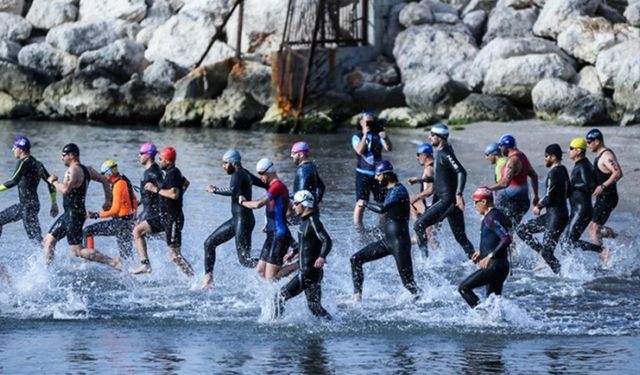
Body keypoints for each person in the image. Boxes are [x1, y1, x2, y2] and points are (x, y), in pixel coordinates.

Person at [350, 161, 421, 302]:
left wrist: (365, 203)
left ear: (386, 175)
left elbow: (383, 209)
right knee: (355, 259)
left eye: (378, 175)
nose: (376, 179)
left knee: (409, 284)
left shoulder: (399, 190)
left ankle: (425, 300)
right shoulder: (390, 191)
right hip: (387, 241)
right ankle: (357, 296)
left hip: (400, 243)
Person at [43, 143, 121, 270]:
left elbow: (65, 190)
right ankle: (49, 272)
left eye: (64, 155)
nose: (62, 158)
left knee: (78, 250)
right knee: (48, 241)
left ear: (72, 155)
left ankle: (113, 262)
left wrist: (53, 181)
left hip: (74, 215)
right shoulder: (87, 169)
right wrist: (107, 200)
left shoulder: (74, 170)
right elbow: (104, 180)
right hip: (69, 214)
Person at [413, 123, 475, 258]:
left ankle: (425, 262)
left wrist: (459, 194)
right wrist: (421, 180)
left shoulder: (445, 153)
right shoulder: (442, 152)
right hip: (450, 202)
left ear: (440, 138)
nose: (429, 137)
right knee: (461, 238)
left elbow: (461, 172)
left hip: (446, 201)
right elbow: (441, 178)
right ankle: (477, 261)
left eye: (432, 135)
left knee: (419, 225)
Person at [130, 146, 194, 276]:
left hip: (173, 218)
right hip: (163, 216)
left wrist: (156, 189)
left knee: (175, 256)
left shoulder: (173, 173)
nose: (158, 161)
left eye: (161, 159)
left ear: (168, 161)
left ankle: (193, 276)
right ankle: (145, 265)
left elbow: (174, 194)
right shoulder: (171, 173)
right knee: (138, 231)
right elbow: (185, 183)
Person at [201, 149, 259, 289]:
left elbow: (233, 191)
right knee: (209, 243)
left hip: (243, 220)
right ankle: (208, 280)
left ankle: (273, 264)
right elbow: (264, 184)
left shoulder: (238, 174)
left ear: (234, 162)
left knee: (245, 260)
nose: (223, 166)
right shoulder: (245, 173)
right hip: (238, 220)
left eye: (225, 163)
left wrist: (214, 190)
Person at [274, 190, 332, 320]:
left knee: (279, 297)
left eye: (295, 204)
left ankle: (274, 325)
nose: (293, 207)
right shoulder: (305, 221)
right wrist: (293, 252)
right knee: (314, 307)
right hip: (311, 273)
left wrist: (322, 256)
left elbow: (327, 240)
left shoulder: (313, 222)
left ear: (304, 204)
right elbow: (307, 242)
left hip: (308, 272)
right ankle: (333, 324)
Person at [516, 144, 569, 274]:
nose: (544, 158)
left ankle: (564, 274)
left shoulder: (553, 173)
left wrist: (539, 206)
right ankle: (543, 256)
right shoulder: (563, 170)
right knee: (522, 230)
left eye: (546, 156)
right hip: (555, 215)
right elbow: (567, 192)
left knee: (547, 252)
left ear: (553, 157)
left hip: (555, 217)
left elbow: (549, 197)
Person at [238, 158, 292, 281]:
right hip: (272, 233)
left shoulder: (277, 186)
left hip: (280, 235)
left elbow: (258, 204)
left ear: (269, 172)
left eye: (261, 173)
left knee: (270, 277)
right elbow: (290, 210)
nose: (260, 177)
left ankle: (299, 265)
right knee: (260, 272)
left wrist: (243, 202)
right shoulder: (275, 187)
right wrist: (269, 223)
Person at [459, 187, 511, 308]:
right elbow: (496, 238)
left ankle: (482, 315)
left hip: (494, 266)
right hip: (501, 266)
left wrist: (489, 256)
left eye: (476, 202)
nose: (474, 205)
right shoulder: (497, 214)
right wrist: (481, 251)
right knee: (493, 304)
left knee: (464, 288)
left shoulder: (491, 218)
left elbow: (506, 239)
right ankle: (497, 323)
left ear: (484, 202)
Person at [0, 136, 58, 243]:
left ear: (21, 149)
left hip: (27, 207)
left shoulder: (23, 162)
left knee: (36, 240)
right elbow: (51, 183)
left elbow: (13, 181)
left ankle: (50, 257)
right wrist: (54, 203)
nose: (13, 150)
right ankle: (48, 255)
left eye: (14, 147)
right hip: (30, 205)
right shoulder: (37, 163)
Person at [563, 138, 609, 264]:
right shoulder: (582, 164)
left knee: (568, 241)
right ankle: (570, 270)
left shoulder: (583, 166)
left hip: (582, 210)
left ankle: (601, 250)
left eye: (571, 149)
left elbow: (589, 186)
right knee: (566, 242)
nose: (568, 151)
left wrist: (570, 186)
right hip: (578, 209)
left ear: (578, 151)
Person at [82, 159, 138, 259]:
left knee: (87, 231)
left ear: (109, 174)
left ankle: (87, 262)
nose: (102, 177)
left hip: (120, 225)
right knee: (127, 259)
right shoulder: (124, 180)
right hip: (127, 224)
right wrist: (134, 218)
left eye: (103, 174)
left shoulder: (118, 186)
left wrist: (95, 215)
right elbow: (134, 200)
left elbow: (115, 210)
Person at [488, 134, 539, 228]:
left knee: (505, 230)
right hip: (522, 202)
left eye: (500, 146)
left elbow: (504, 183)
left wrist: (487, 188)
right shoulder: (522, 155)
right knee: (509, 230)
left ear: (506, 146)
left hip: (514, 203)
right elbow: (534, 175)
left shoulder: (513, 160)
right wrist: (535, 195)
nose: (499, 149)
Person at [352, 112, 392, 229]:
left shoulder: (378, 135)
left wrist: (385, 136)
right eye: (366, 122)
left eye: (371, 122)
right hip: (362, 173)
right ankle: (359, 229)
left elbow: (389, 148)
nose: (368, 124)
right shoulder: (357, 136)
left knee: (383, 202)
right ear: (361, 123)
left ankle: (382, 228)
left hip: (379, 174)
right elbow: (359, 151)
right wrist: (365, 135)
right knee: (361, 202)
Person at [585, 129, 623, 249]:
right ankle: (620, 238)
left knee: (593, 228)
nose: (587, 145)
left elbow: (618, 173)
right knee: (593, 227)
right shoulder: (600, 155)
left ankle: (603, 255)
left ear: (597, 141)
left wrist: (603, 186)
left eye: (589, 142)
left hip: (608, 198)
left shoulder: (606, 155)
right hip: (603, 197)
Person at [407, 143, 437, 256]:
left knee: (430, 238)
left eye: (418, 154)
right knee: (428, 236)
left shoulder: (429, 170)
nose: (417, 157)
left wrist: (416, 197)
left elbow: (430, 190)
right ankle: (416, 233)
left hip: (432, 208)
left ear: (424, 155)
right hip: (432, 206)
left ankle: (438, 260)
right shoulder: (434, 167)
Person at [290, 141, 325, 210]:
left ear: (301, 155)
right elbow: (321, 187)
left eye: (293, 153)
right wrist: (314, 203)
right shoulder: (311, 166)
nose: (291, 155)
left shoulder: (302, 170)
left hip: (303, 210)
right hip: (311, 209)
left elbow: (301, 194)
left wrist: (285, 194)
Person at [137, 142, 163, 223]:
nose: (139, 156)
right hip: (147, 212)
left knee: (136, 233)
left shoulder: (153, 173)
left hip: (151, 215)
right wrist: (139, 202)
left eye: (141, 153)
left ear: (148, 155)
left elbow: (164, 191)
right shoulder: (151, 171)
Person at [484, 142, 507, 206]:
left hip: (506, 199)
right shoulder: (506, 159)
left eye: (487, 155)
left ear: (494, 154)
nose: (486, 158)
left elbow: (501, 184)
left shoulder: (500, 165)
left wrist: (487, 189)